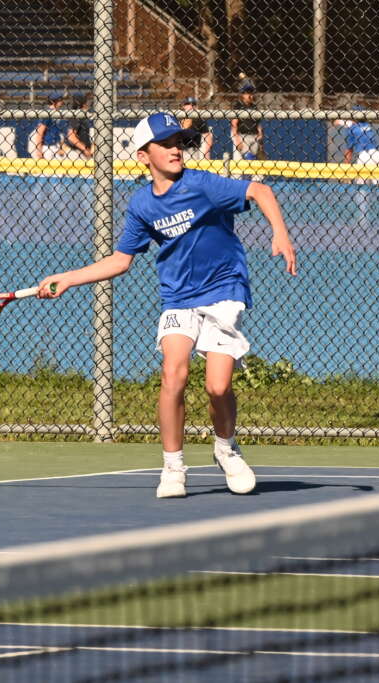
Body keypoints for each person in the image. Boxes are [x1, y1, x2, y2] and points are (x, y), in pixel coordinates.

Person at [36, 112, 297, 499]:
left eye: (179, 141)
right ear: (144, 155)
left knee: (218, 386)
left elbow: (260, 191)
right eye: (166, 143)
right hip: (178, 296)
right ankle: (173, 466)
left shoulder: (201, 184)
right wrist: (70, 277)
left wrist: (280, 233)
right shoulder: (141, 205)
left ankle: (226, 448)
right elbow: (121, 260)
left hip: (224, 288)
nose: (176, 149)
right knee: (173, 375)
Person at [336, 106, 379, 186]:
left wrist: (345, 172)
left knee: (361, 189)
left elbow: (349, 152)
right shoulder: (367, 125)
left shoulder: (352, 129)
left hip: (364, 157)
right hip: (378, 155)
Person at [230, 83, 263, 163]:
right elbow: (234, 123)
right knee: (239, 163)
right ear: (243, 94)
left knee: (253, 162)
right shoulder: (238, 106)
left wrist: (260, 134)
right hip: (242, 136)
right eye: (247, 92)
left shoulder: (254, 107)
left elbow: (258, 123)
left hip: (254, 136)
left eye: (251, 92)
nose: (250, 95)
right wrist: (236, 139)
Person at [32, 91, 65, 160]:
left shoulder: (57, 113)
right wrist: (39, 149)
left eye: (61, 99)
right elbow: (40, 131)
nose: (61, 102)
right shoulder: (47, 113)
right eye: (59, 100)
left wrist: (61, 147)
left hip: (56, 146)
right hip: (47, 147)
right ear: (53, 102)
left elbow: (58, 132)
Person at [180, 96, 212, 162]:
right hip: (180, 149)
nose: (190, 106)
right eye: (187, 104)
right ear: (183, 106)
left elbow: (207, 136)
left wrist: (206, 151)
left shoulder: (198, 120)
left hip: (193, 151)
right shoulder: (179, 118)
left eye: (193, 104)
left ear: (195, 107)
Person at [64, 93, 93, 159]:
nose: (88, 104)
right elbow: (71, 137)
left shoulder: (81, 115)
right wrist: (85, 149)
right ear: (83, 104)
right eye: (86, 102)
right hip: (76, 152)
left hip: (80, 152)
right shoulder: (76, 116)